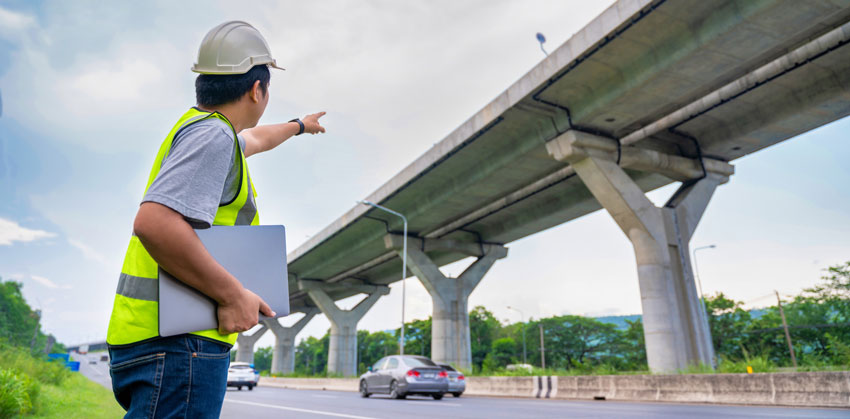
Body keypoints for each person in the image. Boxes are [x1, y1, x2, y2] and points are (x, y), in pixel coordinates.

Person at [105, 21, 325, 418]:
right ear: (257, 89)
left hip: (154, 338)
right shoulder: (213, 138)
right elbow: (154, 222)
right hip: (179, 345)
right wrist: (233, 294)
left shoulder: (205, 131)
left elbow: (256, 139)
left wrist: (298, 126)